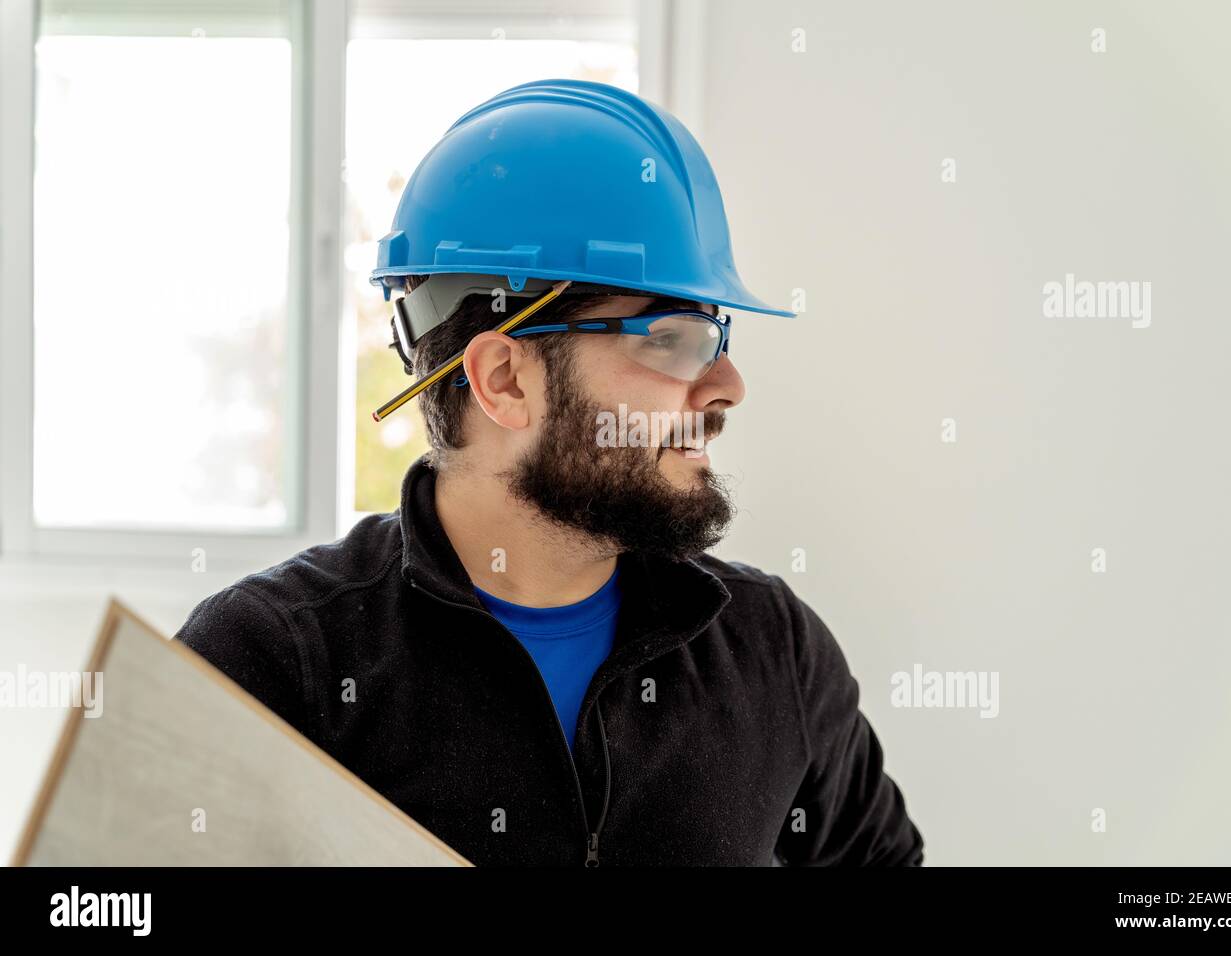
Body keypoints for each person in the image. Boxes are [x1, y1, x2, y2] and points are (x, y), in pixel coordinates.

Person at [176, 78, 923, 866]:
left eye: (717, 336)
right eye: (669, 339)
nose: (727, 386)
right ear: (503, 380)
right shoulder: (273, 662)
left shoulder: (773, 651)